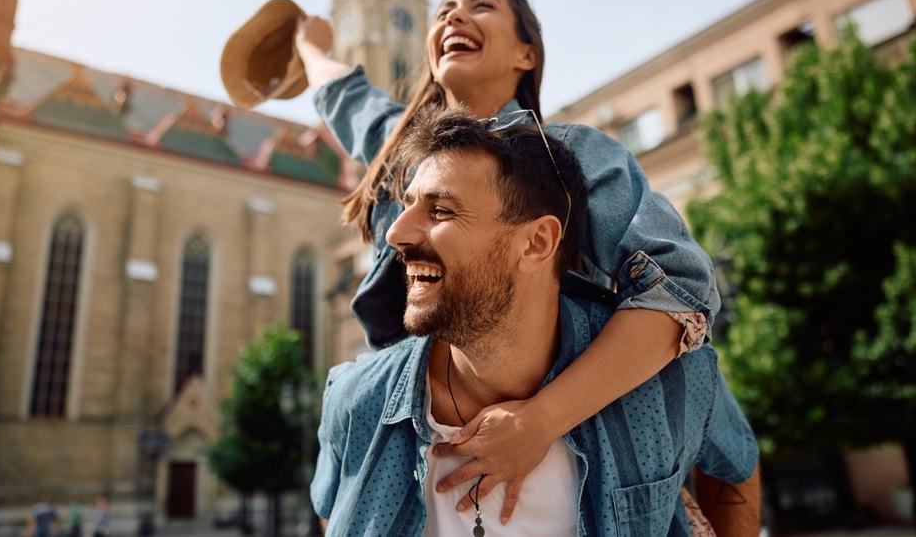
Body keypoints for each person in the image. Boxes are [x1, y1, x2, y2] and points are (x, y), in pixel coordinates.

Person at [295, 0, 718, 520]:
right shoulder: (403, 150)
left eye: (481, 5)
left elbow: (680, 286)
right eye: (443, 9)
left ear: (526, 53)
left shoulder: (568, 155)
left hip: (567, 420)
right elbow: (346, 97)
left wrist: (543, 418)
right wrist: (309, 48)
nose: (452, 15)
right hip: (414, 425)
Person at [310, 106, 760, 535]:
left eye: (441, 210)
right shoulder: (354, 402)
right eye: (407, 206)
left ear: (536, 243)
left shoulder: (671, 383)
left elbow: (735, 466)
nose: (395, 234)